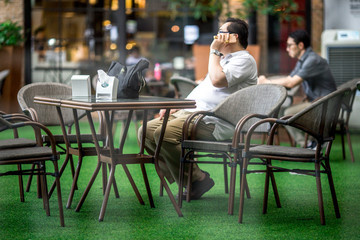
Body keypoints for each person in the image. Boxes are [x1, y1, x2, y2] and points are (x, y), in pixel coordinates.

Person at [138, 18, 258, 200]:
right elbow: (201, 90)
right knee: (144, 132)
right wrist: (175, 108)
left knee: (165, 133)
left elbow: (217, 80)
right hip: (192, 114)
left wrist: (214, 51)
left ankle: (194, 181)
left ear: (233, 37)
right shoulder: (223, 61)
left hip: (214, 120)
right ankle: (195, 179)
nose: (216, 36)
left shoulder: (244, 60)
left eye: (221, 33)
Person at [258, 29, 337, 147]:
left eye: (290, 45)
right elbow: (290, 79)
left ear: (300, 45)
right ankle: (311, 142)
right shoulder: (303, 60)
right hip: (318, 102)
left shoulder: (312, 60)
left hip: (325, 105)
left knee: (287, 114)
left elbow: (291, 83)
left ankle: (310, 144)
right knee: (282, 113)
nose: (287, 49)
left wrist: (266, 81)